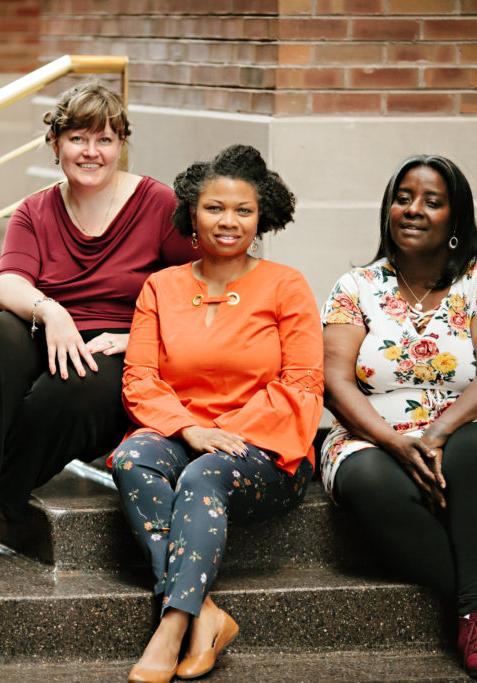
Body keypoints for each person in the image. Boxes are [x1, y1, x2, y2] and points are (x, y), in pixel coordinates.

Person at [0, 81, 196, 567]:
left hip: (118, 349)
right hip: (52, 333)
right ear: (55, 143)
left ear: (121, 145)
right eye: (78, 138)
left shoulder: (158, 204)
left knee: (70, 385)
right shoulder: (35, 209)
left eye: (105, 139)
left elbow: (196, 291)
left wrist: (134, 337)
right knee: (1, 333)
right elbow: (8, 286)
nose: (91, 152)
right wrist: (53, 311)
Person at [321, 155, 477, 679]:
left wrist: (437, 434)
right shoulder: (356, 286)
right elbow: (334, 381)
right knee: (365, 477)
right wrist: (398, 444)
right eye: (403, 198)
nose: (413, 209)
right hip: (373, 436)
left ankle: (471, 611)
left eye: (432, 201)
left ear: (455, 219)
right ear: (388, 210)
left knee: (471, 448)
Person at [111, 144, 324, 683]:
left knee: (205, 473)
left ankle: (172, 623)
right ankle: (206, 615)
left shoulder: (287, 285)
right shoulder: (161, 287)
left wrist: (224, 433)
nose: (228, 222)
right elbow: (139, 378)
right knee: (133, 456)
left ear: (262, 216)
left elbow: (302, 384)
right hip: (185, 434)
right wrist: (190, 428)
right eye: (214, 208)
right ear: (191, 213)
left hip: (266, 454)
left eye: (243, 211)